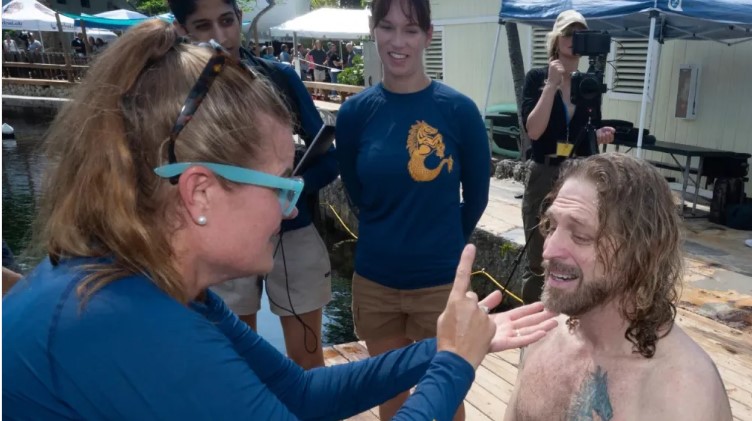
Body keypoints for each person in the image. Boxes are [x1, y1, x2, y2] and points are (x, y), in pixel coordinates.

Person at [2, 20, 559, 419]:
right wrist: (456, 364)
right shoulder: (132, 326)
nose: (293, 205)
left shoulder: (153, 285)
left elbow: (302, 393)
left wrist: (439, 347)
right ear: (199, 192)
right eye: (280, 182)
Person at [335, 0, 491, 419]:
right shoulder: (354, 115)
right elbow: (355, 191)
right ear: (374, 30)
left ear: (428, 35)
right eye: (387, 27)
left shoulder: (459, 111)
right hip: (375, 283)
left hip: (439, 286)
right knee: (391, 397)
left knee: (445, 399)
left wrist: (441, 243)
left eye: (410, 29)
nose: (398, 41)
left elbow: (476, 197)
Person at [168, 0, 339, 369]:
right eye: (203, 26)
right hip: (216, 238)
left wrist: (295, 186)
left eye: (227, 21)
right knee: (234, 362)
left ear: (240, 19)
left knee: (307, 360)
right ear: (182, 30)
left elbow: (330, 157)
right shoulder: (173, 96)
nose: (219, 35)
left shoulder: (279, 77)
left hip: (290, 229)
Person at [503, 152, 733, 420]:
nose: (549, 249)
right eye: (551, 226)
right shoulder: (542, 336)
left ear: (642, 252)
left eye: (580, 236)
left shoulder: (682, 390)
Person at [520, 10, 615, 304]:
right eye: (569, 33)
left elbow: (588, 131)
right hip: (545, 172)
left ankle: (569, 322)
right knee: (538, 257)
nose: (574, 40)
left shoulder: (589, 84)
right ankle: (532, 327)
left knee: (576, 253)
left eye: (580, 35)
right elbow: (534, 131)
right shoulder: (537, 78)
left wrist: (598, 135)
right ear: (556, 38)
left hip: (579, 176)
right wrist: (551, 85)